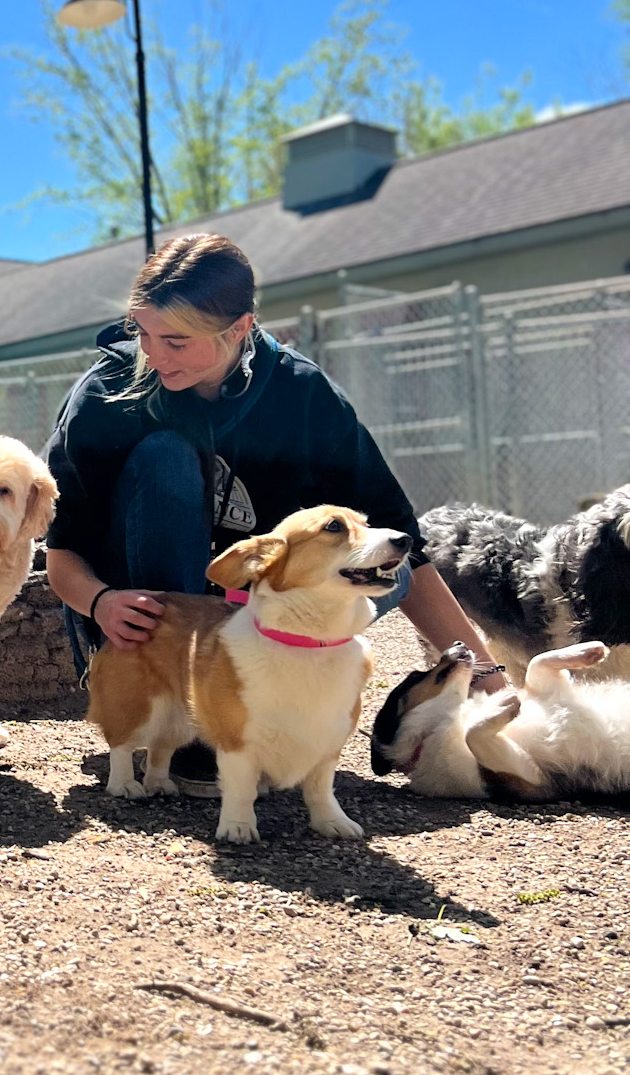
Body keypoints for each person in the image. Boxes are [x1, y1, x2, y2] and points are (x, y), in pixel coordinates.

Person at [44, 234, 508, 780]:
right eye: (142, 332)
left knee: (389, 566)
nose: (152, 354)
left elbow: (403, 542)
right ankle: (195, 727)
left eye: (175, 340)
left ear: (241, 328)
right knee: (165, 455)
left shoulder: (303, 394)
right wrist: (101, 603)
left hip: (255, 628)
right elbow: (62, 552)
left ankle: (266, 713)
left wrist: (488, 679)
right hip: (144, 637)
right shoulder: (107, 396)